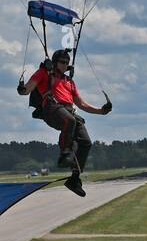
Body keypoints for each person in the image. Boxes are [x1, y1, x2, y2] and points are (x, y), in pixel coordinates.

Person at [17, 48, 111, 197]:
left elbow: (82, 104)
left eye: (67, 63)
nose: (65, 65)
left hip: (68, 111)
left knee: (86, 142)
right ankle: (64, 154)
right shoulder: (44, 74)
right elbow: (27, 90)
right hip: (51, 108)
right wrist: (21, 88)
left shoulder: (70, 82)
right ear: (55, 62)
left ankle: (74, 179)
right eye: (62, 62)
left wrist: (101, 111)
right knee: (71, 121)